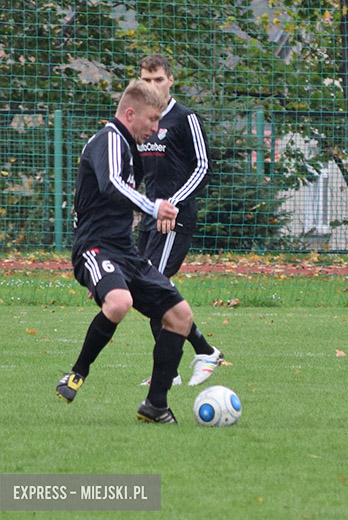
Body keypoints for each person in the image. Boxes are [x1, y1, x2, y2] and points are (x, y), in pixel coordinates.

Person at [56, 79, 191, 424]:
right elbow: (112, 184)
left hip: (124, 252)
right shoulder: (109, 139)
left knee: (180, 317)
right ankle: (76, 373)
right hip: (96, 247)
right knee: (119, 303)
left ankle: (155, 405)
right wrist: (153, 207)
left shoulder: (129, 148)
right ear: (130, 114)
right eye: (152, 120)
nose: (156, 128)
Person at [135, 54, 222, 386]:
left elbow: (203, 168)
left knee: (151, 285)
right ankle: (177, 365)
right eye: (147, 80)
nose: (153, 85)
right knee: (148, 290)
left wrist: (171, 203)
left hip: (175, 217)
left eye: (159, 79)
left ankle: (200, 353)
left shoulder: (185, 119)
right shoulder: (145, 119)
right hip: (150, 217)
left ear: (171, 80)